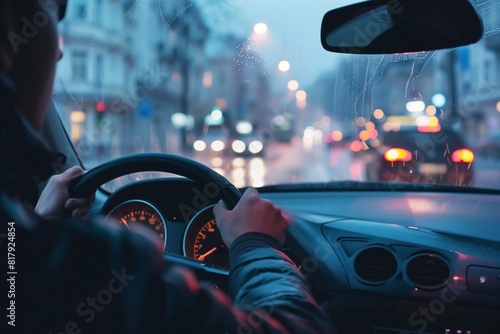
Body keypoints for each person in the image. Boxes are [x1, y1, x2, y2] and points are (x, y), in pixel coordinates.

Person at [0, 1, 335, 333]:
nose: (59, 50)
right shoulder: (93, 262)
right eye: (54, 11)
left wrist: (39, 225)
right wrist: (256, 245)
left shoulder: (24, 247)